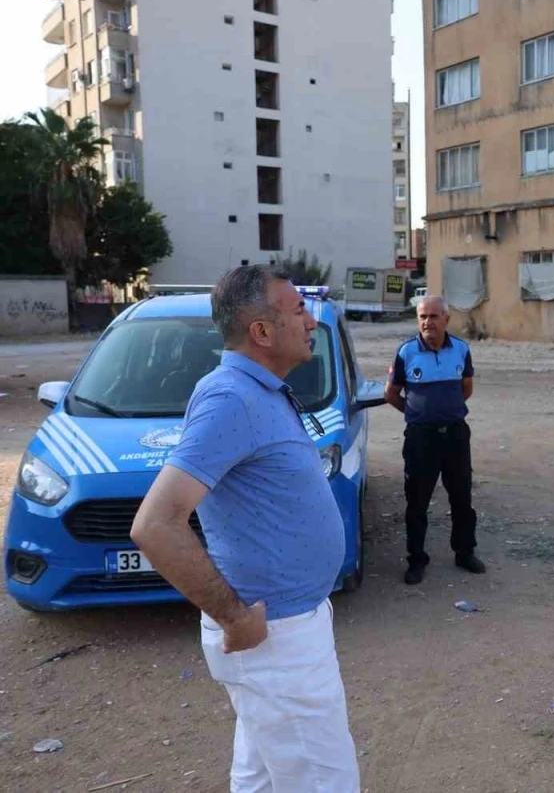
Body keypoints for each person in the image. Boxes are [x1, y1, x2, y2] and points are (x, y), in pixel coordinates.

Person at [131, 265, 359, 791]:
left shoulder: (258, 390)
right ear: (261, 331)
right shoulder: (230, 399)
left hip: (287, 632)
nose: (310, 321)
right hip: (275, 640)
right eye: (298, 310)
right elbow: (156, 524)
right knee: (324, 782)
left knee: (260, 778)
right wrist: (234, 618)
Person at [385, 295, 485, 584]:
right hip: (421, 439)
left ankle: (464, 553)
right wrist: (416, 414)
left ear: (446, 319)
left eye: (433, 316)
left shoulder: (461, 350)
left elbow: (466, 388)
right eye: (422, 317)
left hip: (455, 435)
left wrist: (446, 411)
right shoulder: (406, 352)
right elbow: (390, 394)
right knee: (417, 502)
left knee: (462, 497)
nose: (427, 322)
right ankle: (416, 560)